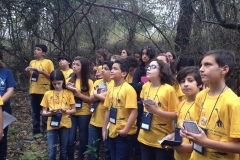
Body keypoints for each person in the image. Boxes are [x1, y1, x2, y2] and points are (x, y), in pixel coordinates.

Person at [181, 49, 240, 160]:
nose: (201, 69)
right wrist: (187, 131)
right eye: (201, 65)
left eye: (208, 65)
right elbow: (197, 126)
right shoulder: (200, 96)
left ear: (224, 69)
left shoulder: (234, 103)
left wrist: (206, 142)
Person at [138, 59, 179, 160]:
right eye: (148, 67)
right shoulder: (145, 86)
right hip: (144, 137)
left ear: (161, 72)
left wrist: (157, 111)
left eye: (153, 67)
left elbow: (176, 115)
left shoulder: (169, 90)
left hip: (162, 139)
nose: (148, 69)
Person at [162, 66, 202, 160]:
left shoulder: (202, 106)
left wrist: (187, 147)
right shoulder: (181, 104)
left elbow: (206, 138)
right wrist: (171, 137)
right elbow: (179, 128)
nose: (186, 84)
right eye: (183, 81)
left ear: (200, 84)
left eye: (190, 80)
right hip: (178, 156)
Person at [102, 60, 138, 160]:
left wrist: (125, 130)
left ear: (124, 73)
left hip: (123, 134)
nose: (112, 71)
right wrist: (104, 129)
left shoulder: (128, 89)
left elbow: (134, 112)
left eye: (115, 69)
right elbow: (108, 110)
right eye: (112, 68)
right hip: (112, 131)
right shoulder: (111, 87)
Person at [41, 69, 76, 160]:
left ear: (63, 81)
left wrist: (65, 111)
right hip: (52, 125)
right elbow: (44, 112)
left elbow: (74, 110)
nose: (57, 86)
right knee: (52, 152)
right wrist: (51, 113)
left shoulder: (68, 93)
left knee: (63, 151)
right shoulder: (47, 94)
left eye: (59, 83)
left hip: (65, 124)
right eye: (54, 84)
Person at [25, 44, 54, 141]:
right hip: (33, 90)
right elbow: (30, 78)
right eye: (35, 49)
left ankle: (46, 134)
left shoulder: (48, 62)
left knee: (45, 113)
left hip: (44, 91)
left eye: (38, 49)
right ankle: (35, 133)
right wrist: (28, 72)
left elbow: (52, 77)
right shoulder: (32, 62)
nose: (35, 51)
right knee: (35, 113)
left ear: (44, 53)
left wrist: (42, 72)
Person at [67, 57, 94, 160]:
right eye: (73, 64)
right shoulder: (70, 79)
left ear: (84, 67)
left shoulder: (89, 81)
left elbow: (91, 99)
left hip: (84, 113)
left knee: (83, 137)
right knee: (70, 138)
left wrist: (78, 94)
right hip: (72, 112)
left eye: (77, 65)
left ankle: (81, 157)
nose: (74, 66)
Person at [132, 46, 155, 159]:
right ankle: (139, 153)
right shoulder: (139, 69)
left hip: (155, 102)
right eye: (143, 54)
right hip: (141, 102)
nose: (144, 56)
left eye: (147, 54)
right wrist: (144, 84)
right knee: (140, 125)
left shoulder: (156, 68)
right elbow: (134, 85)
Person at [87, 61, 114, 160]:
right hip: (94, 121)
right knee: (92, 149)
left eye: (106, 69)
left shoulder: (114, 84)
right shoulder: (97, 82)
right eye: (102, 68)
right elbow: (90, 99)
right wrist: (104, 95)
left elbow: (112, 100)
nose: (102, 70)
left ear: (112, 71)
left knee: (108, 151)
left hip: (108, 123)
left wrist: (96, 95)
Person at [0, 52, 16, 160]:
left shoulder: (7, 72)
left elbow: (10, 90)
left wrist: (0, 101)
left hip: (4, 107)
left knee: (2, 135)